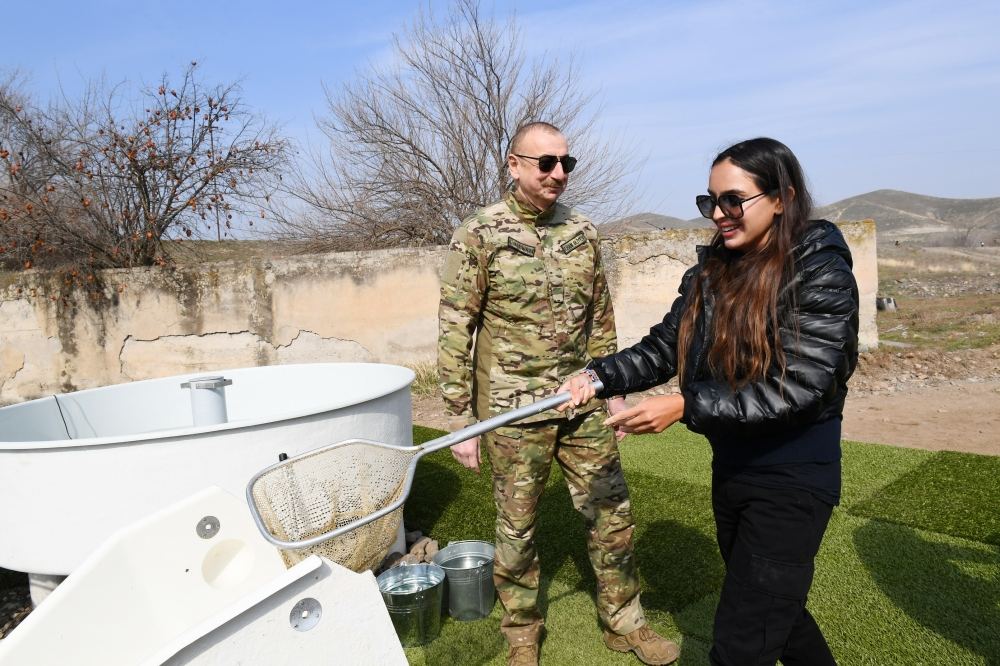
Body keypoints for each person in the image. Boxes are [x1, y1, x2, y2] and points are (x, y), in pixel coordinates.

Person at [560, 137, 859, 666]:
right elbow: (664, 346)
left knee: (741, 638)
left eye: (732, 199)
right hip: (735, 468)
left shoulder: (818, 264)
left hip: (792, 479)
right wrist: (597, 375)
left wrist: (685, 405)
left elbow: (803, 382)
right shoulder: (713, 272)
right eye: (710, 201)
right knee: (778, 617)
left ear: (782, 197)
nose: (719, 214)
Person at [438, 121, 679, 666]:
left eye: (567, 162)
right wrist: (459, 418)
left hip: (582, 402)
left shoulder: (583, 231)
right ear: (514, 164)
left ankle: (625, 623)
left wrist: (614, 388)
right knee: (517, 526)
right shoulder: (479, 233)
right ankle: (522, 634)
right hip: (514, 409)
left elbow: (600, 316)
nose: (559, 173)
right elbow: (456, 327)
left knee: (611, 513)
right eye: (546, 163)